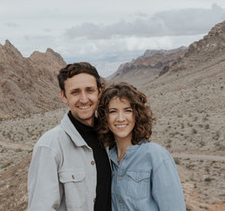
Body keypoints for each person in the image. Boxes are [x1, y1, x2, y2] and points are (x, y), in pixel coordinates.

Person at [27, 62, 112, 211]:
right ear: (63, 95)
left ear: (100, 92)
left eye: (90, 90)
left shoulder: (110, 138)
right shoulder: (50, 146)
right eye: (75, 92)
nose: (84, 99)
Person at [97, 82, 186, 211]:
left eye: (127, 110)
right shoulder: (108, 158)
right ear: (105, 117)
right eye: (113, 111)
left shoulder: (155, 155)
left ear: (137, 115)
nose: (120, 118)